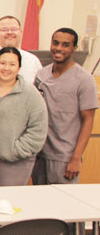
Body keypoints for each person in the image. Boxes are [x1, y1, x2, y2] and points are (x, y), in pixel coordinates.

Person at [0, 47, 47, 188]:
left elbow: (38, 128)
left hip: (16, 161)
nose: (7, 68)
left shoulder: (30, 93)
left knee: (8, 204)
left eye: (12, 64)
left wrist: (17, 150)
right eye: (3, 63)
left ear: (19, 67)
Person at [33, 28, 98, 185]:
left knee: (62, 207)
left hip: (64, 158)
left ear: (74, 48)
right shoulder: (41, 75)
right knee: (39, 204)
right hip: (39, 154)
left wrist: (76, 158)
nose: (59, 48)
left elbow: (88, 120)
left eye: (65, 44)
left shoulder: (84, 80)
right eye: (55, 43)